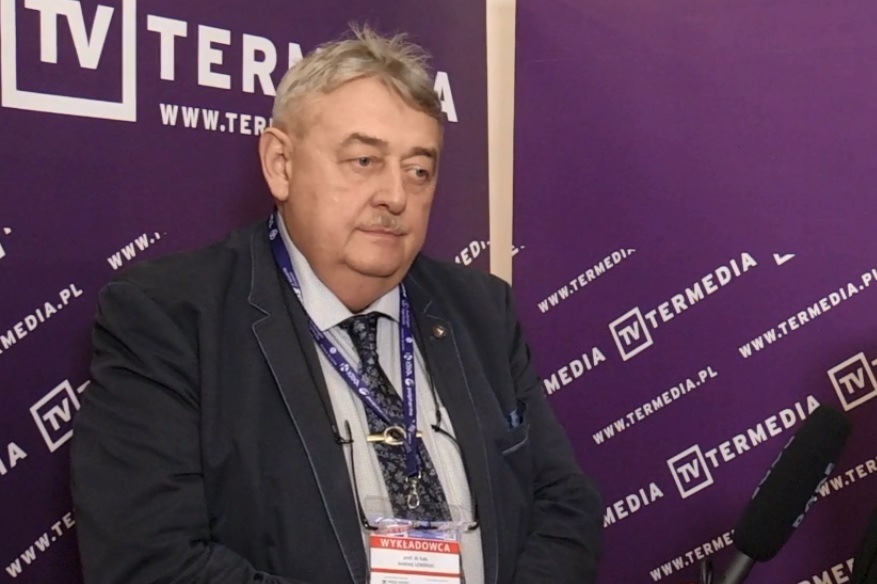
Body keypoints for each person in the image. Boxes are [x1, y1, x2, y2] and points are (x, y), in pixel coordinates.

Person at [70, 24, 602, 584]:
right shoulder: (170, 319)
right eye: (364, 161)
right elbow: (149, 560)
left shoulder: (482, 311)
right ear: (281, 164)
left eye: (419, 171)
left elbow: (565, 503)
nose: (395, 196)